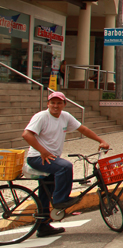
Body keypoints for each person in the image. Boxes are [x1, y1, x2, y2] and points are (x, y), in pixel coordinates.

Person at [21, 92, 110, 237]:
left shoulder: (65, 116)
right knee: (65, 166)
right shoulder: (41, 117)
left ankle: (43, 227)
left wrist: (101, 141)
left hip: (50, 158)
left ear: (64, 104)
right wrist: (43, 152)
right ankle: (61, 200)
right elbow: (26, 134)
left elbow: (83, 129)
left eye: (59, 103)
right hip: (37, 157)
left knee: (46, 190)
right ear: (48, 104)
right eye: (53, 103)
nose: (55, 106)